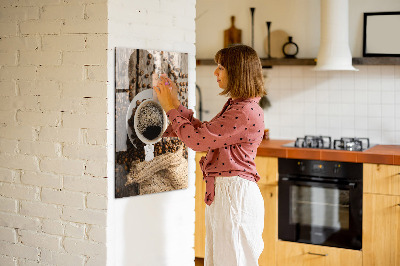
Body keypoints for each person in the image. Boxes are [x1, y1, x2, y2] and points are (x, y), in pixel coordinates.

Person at [153, 44, 266, 266]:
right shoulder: (238, 106)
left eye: (221, 67)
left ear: (237, 71)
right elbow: (205, 133)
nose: (215, 72)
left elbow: (197, 141)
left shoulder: (244, 111)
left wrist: (170, 108)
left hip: (234, 195)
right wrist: (176, 105)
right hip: (228, 194)